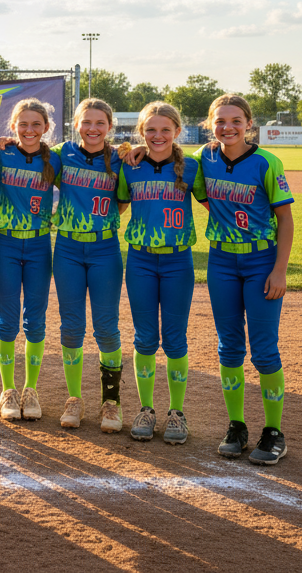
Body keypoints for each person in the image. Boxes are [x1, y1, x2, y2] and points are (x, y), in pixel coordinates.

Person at [193, 94, 295, 465]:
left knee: (264, 350)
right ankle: (236, 425)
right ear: (210, 124)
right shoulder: (204, 159)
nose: (228, 127)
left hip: (261, 261)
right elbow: (200, 192)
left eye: (236, 120)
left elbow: (285, 219)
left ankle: (273, 432)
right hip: (221, 261)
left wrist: (279, 269)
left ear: (249, 124)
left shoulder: (267, 162)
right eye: (220, 121)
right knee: (229, 347)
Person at [116, 102, 200, 446]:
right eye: (150, 130)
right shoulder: (130, 167)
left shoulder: (193, 168)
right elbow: (119, 204)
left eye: (166, 129)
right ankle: (147, 409)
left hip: (179, 261)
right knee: (145, 338)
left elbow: (216, 200)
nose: (158, 136)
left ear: (178, 132)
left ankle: (176, 413)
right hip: (140, 261)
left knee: (175, 338)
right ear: (141, 132)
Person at [51, 99, 126, 432]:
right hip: (66, 247)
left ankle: (111, 403)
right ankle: (75, 398)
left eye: (100, 123)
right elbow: (25, 149)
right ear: (76, 125)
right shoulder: (61, 153)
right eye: (86, 122)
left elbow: (122, 203)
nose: (92, 129)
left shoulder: (122, 159)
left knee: (106, 327)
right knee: (71, 325)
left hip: (104, 249)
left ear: (109, 126)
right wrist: (3, 142)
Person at [0, 100, 59, 421]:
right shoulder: (0, 155)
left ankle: (30, 389)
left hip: (39, 244)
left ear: (46, 128)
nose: (29, 130)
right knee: (7, 318)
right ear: (13, 126)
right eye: (23, 124)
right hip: (6, 243)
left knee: (36, 318)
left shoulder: (54, 159)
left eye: (36, 125)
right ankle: (8, 391)